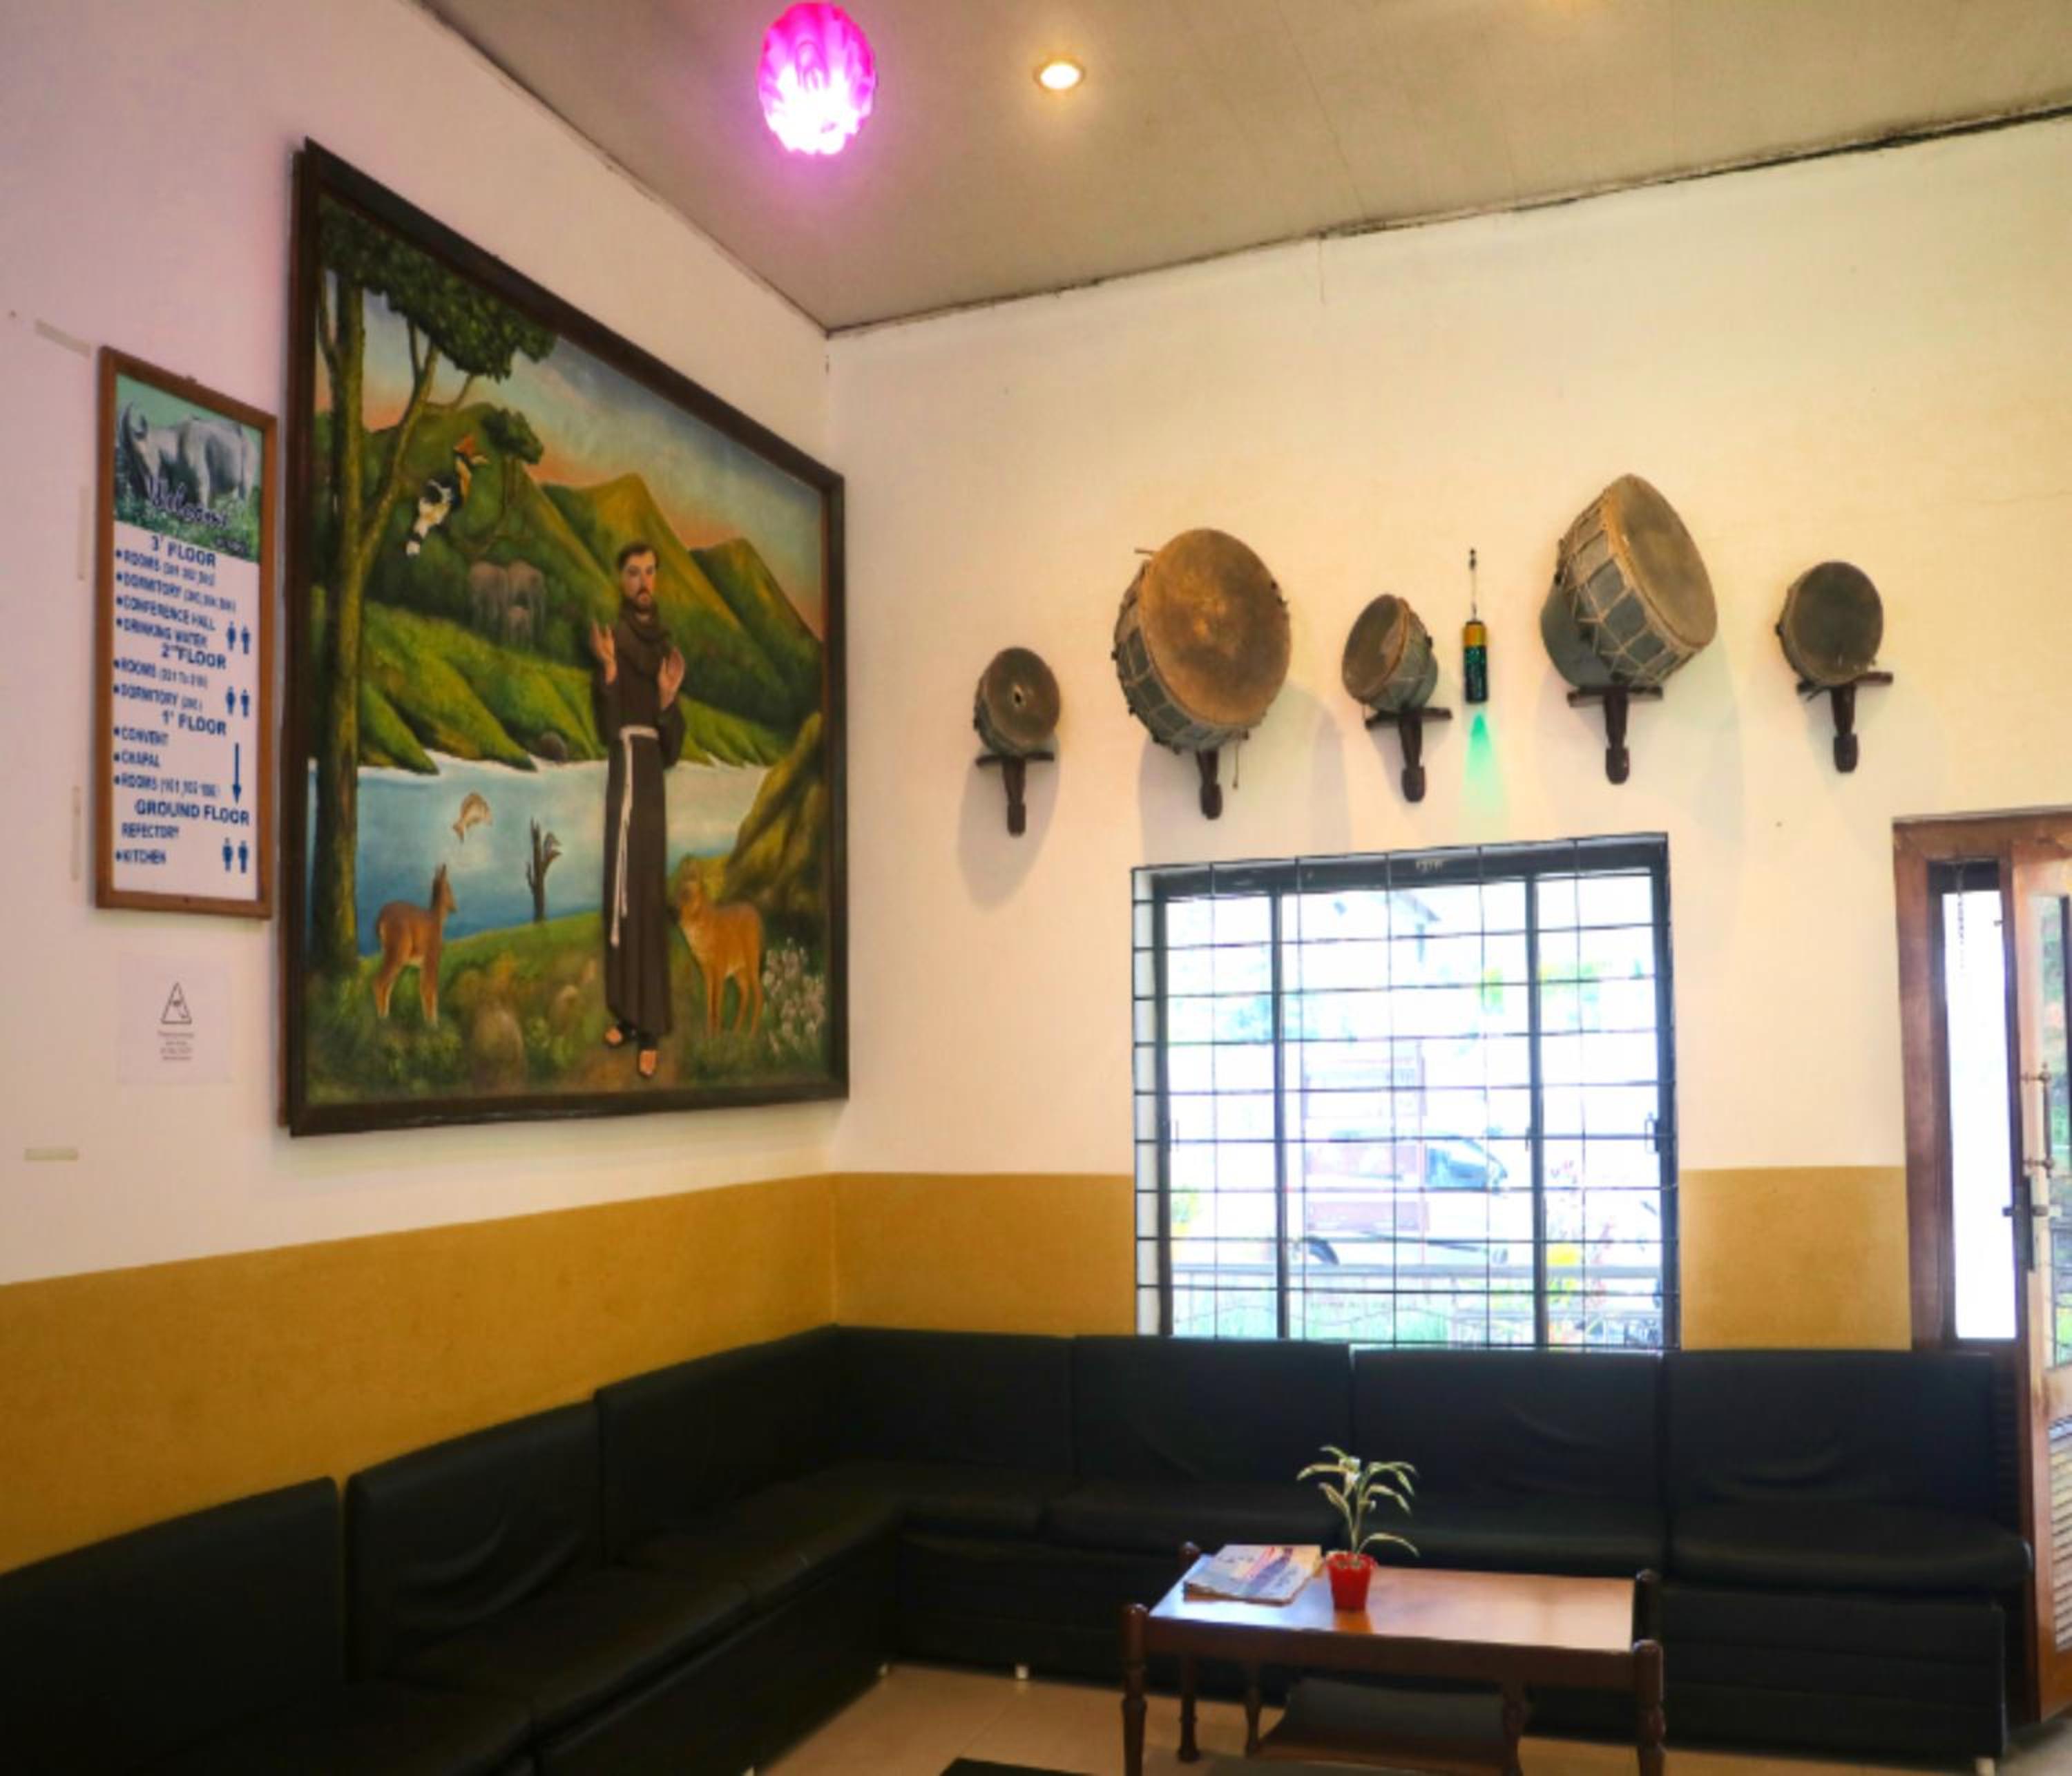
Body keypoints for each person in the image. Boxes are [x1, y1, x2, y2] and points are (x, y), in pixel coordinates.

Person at [589, 541, 685, 1077]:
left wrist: (668, 700)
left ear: (657, 579)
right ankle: (625, 1014)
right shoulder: (614, 640)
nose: (643, 581)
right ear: (622, 581)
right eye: (633, 573)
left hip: (648, 781)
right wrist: (608, 670)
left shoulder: (666, 650)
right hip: (621, 772)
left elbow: (672, 749)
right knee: (619, 892)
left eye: (650, 572)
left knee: (645, 894)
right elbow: (608, 729)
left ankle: (650, 1027)